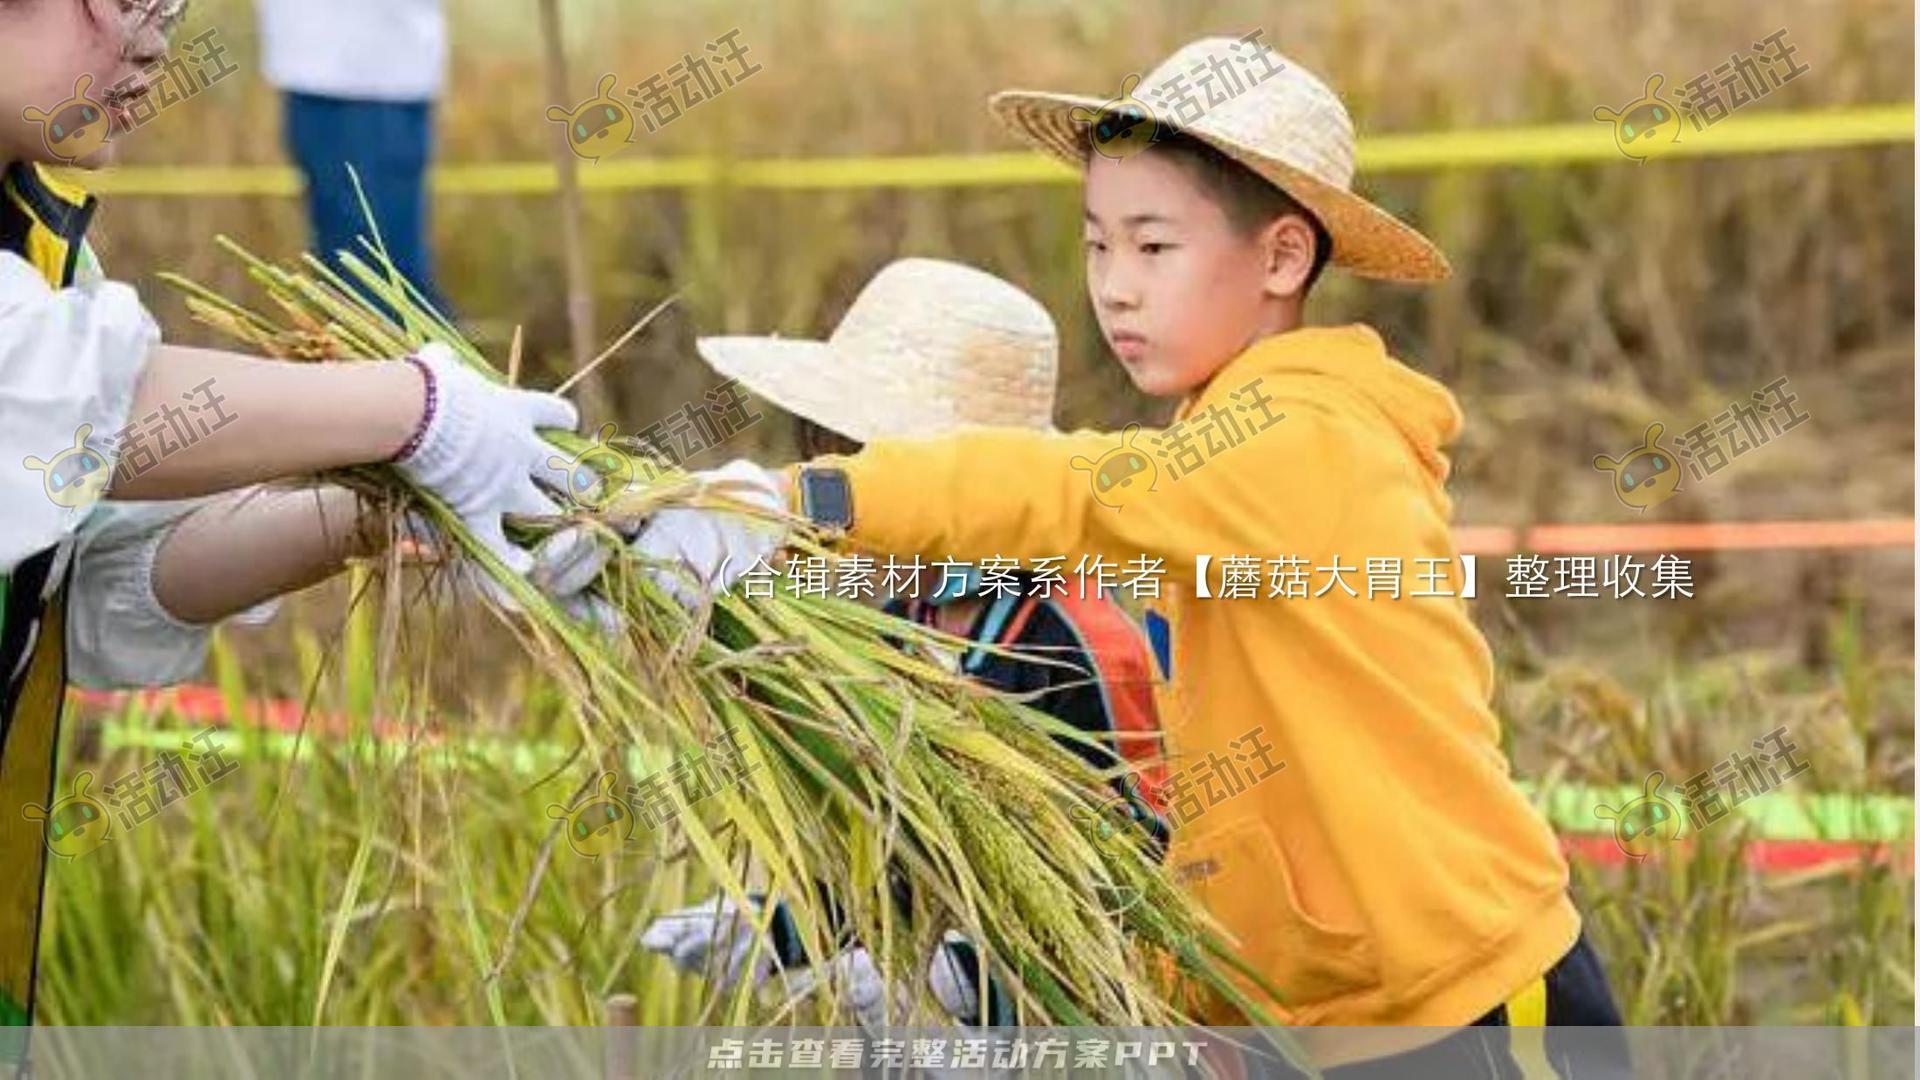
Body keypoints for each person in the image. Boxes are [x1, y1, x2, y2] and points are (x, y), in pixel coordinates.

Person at [615, 38, 1626, 1075]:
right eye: (1098, 246)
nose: (1115, 288)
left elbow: (1078, 490)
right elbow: (1200, 810)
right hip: (1326, 1024)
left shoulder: (1310, 434)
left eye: (1153, 248)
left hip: (1474, 1009)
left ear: (1282, 259)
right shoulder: (1219, 442)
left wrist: (807, 502)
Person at [1, 0, 582, 1041]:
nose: (157, 33)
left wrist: (360, 512)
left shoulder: (39, 230)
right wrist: (418, 410)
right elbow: (56, 409)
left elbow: (70, 576)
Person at [629, 258, 1171, 1028]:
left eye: (863, 470)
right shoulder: (907, 619)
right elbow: (916, 860)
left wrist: (968, 979)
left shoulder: (1082, 641)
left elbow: (1151, 878)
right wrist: (783, 930)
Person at [254, 0, 448, 312]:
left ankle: (417, 358)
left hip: (361, 81)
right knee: (358, 275)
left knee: (376, 285)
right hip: (330, 72)